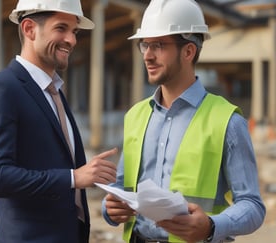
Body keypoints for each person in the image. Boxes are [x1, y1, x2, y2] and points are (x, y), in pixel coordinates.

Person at [102, 0, 265, 242]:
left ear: (188, 51)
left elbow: (252, 205)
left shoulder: (227, 121)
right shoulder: (135, 116)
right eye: (144, 45)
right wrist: (110, 209)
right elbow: (122, 190)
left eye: (158, 45)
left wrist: (211, 226)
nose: (148, 55)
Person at [0, 0, 117, 242]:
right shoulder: (2, 90)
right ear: (29, 29)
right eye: (61, 28)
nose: (71, 40)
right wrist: (74, 177)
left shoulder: (54, 92)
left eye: (74, 32)